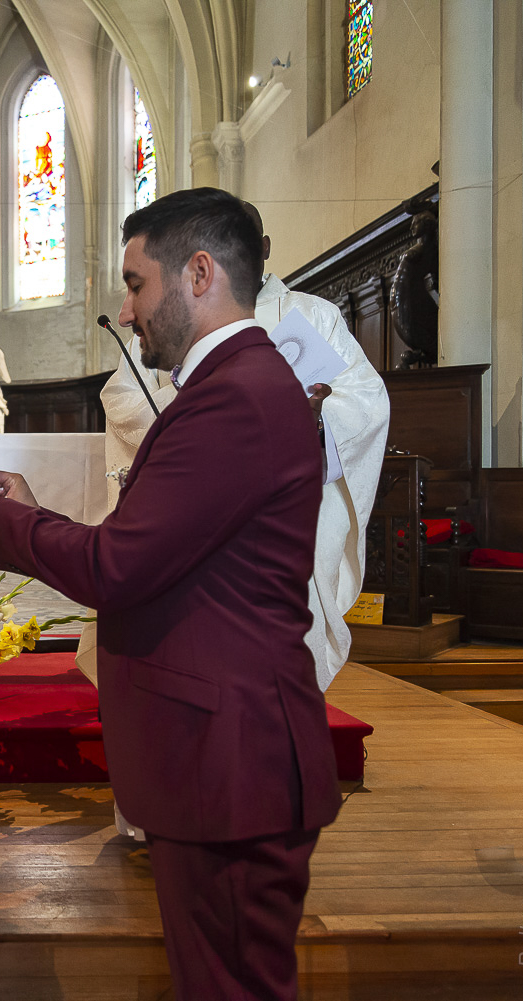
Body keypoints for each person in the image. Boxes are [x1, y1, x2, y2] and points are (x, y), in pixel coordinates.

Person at [0, 188, 341, 1000]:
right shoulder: (237, 386)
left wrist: (1, 523)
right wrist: (32, 512)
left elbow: (119, 565)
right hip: (223, 757)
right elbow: (163, 552)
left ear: (200, 274)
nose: (127, 307)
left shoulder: (235, 398)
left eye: (137, 283)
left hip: (230, 764)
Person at [98, 199, 390, 693]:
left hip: (282, 520)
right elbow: (123, 396)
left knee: (272, 673)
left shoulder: (311, 315)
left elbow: (368, 402)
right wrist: (198, 417)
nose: (127, 310)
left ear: (261, 252)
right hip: (186, 509)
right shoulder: (174, 317)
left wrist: (310, 426)